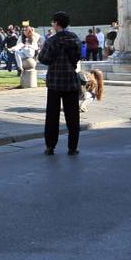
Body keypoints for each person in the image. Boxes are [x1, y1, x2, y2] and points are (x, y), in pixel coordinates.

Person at [38, 11, 82, 156]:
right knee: (73, 115)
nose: (52, 24)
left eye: (53, 22)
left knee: (52, 115)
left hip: (55, 81)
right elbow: (78, 56)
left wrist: (53, 60)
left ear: (56, 23)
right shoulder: (74, 38)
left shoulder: (51, 41)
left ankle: (50, 146)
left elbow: (43, 58)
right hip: (70, 81)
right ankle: (72, 147)